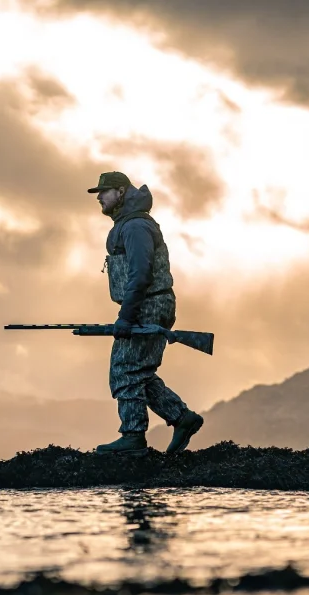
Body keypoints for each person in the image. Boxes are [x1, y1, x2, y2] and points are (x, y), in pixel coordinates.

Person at [87, 171, 204, 456]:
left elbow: (140, 273)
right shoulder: (129, 224)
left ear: (122, 192)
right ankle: (181, 418)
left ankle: (133, 437)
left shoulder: (136, 226)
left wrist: (126, 318)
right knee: (139, 372)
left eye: (105, 191)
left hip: (147, 305)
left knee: (125, 370)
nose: (99, 197)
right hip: (150, 304)